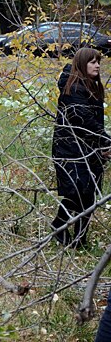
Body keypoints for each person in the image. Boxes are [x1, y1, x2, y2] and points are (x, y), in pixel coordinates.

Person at [50, 47, 111, 249]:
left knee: (89, 195)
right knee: (76, 191)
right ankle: (58, 226)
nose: (97, 65)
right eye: (92, 62)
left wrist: (101, 146)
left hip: (89, 149)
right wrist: (106, 141)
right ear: (82, 64)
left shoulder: (91, 86)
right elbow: (82, 120)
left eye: (98, 62)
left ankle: (80, 240)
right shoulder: (73, 88)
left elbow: (95, 123)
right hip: (70, 150)